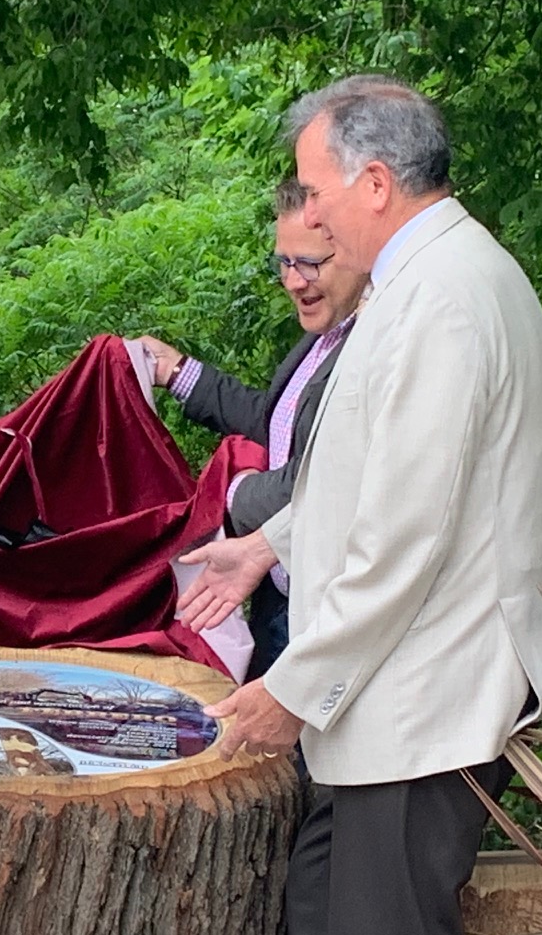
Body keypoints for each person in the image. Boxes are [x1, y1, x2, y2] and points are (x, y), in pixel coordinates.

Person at [201, 77, 542, 935]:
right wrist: (269, 548)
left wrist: (290, 691)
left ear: (373, 181)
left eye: (307, 186)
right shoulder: (421, 290)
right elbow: (368, 479)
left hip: (430, 705)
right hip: (392, 704)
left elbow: (410, 532)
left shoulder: (453, 299)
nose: (299, 216)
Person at [133, 178, 370, 678]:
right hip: (277, 598)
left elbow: (318, 476)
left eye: (309, 263)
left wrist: (223, 494)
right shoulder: (325, 336)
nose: (293, 281)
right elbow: (275, 424)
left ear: (356, 249)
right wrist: (177, 373)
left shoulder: (371, 346)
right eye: (283, 263)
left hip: (327, 616)